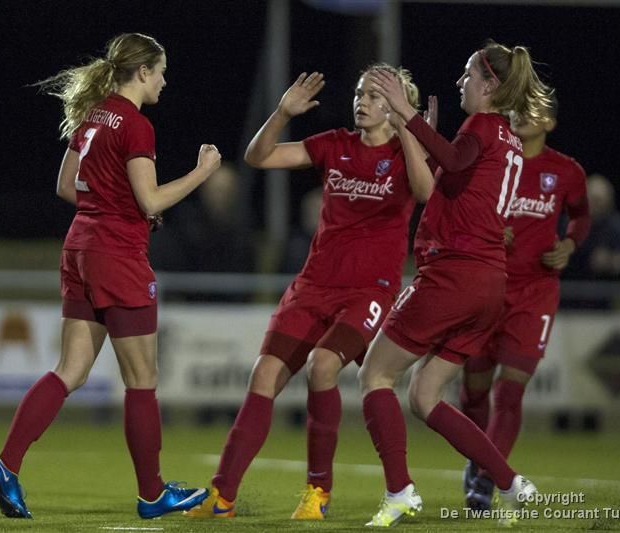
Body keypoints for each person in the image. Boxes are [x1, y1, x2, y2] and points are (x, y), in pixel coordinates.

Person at [0, 33, 221, 520]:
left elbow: (66, 186)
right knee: (143, 379)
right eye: (161, 71)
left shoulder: (92, 114)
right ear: (143, 73)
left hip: (79, 246)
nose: (165, 81)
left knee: (69, 371)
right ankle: (153, 494)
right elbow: (150, 200)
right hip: (117, 254)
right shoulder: (135, 125)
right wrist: (202, 172)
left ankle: (7, 465)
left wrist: (116, 207)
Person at [185, 65, 435, 520]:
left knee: (322, 365)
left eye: (375, 97)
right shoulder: (334, 144)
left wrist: (409, 130)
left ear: (396, 105)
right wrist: (281, 112)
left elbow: (425, 192)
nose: (362, 101)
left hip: (368, 290)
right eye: (360, 93)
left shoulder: (405, 153)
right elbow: (258, 157)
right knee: (263, 377)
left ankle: (318, 491)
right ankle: (221, 498)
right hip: (312, 285)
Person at [358, 40, 553, 527]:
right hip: (489, 283)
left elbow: (455, 161)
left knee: (374, 375)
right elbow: (437, 184)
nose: (460, 82)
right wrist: (414, 127)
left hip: (455, 274)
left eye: (469, 75)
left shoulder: (483, 124)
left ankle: (400, 491)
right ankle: (510, 483)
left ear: (490, 84)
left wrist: (406, 111)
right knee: (425, 397)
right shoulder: (504, 136)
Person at [458, 92, 591, 510]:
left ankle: (483, 477)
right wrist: (488, 229)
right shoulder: (493, 160)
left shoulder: (566, 171)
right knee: (473, 391)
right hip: (485, 286)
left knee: (510, 393)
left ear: (550, 123)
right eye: (517, 107)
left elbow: (582, 216)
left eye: (534, 110)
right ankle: (477, 455)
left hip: (535, 292)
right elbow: (460, 205)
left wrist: (569, 244)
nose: (521, 115)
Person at [566, 173, 620, 279]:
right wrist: (589, 259)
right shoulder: (567, 227)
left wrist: (617, 261)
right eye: (594, 200)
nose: (598, 205)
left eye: (601, 201)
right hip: (574, 287)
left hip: (610, 288)